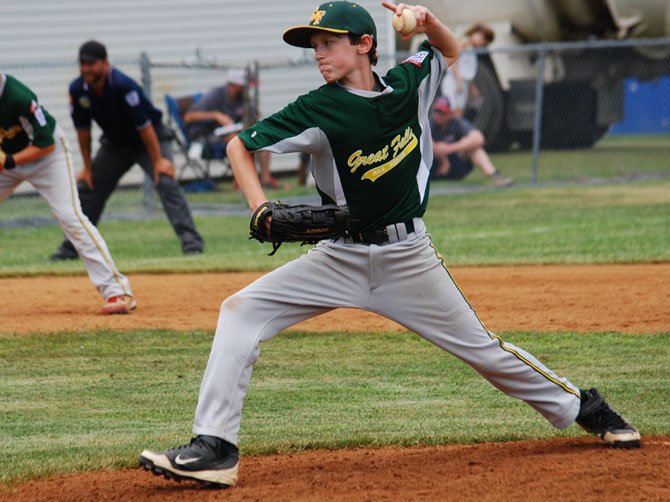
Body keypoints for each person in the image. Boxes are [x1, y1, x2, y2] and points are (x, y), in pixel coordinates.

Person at [139, 1, 640, 488]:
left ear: (364, 45)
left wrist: (427, 20)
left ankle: (586, 409)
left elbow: (448, 50)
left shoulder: (409, 83)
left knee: (485, 352)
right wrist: (259, 206)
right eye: (314, 44)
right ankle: (214, 448)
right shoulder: (317, 108)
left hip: (409, 258)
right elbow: (238, 145)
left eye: (328, 42)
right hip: (339, 255)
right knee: (240, 311)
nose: (318, 52)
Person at [50, 40, 204, 260]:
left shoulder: (123, 85)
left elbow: (145, 126)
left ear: (105, 63)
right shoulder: (78, 89)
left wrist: (159, 161)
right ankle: (71, 248)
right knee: (89, 187)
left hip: (150, 140)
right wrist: (87, 168)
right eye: (82, 64)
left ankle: (192, 244)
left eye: (91, 64)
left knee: (166, 181)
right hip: (115, 145)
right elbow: (83, 131)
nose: (86, 69)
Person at [0, 73, 135, 314]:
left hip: (47, 158)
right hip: (8, 160)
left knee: (69, 215)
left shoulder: (17, 96)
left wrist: (9, 160)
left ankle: (116, 291)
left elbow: (45, 144)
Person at [183, 69, 280, 189]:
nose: (247, 89)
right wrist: (216, 115)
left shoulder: (243, 99)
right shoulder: (214, 96)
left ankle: (266, 179)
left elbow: (252, 120)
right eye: (243, 86)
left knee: (261, 136)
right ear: (233, 85)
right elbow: (188, 117)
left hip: (232, 134)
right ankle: (240, 181)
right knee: (236, 139)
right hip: (204, 137)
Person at [430, 96, 513, 186]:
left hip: (455, 164)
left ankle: (494, 176)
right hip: (434, 165)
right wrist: (443, 159)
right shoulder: (430, 123)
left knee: (475, 149)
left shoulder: (457, 123)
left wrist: (449, 149)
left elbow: (479, 138)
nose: (438, 115)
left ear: (450, 113)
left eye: (442, 112)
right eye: (436, 112)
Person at [440, 23, 494, 118]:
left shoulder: (472, 48)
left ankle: (454, 132)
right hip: (454, 80)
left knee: (459, 111)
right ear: (478, 34)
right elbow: (453, 62)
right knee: (450, 109)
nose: (481, 44)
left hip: (462, 82)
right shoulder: (463, 43)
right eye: (482, 40)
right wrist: (459, 80)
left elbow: (467, 70)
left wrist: (471, 86)